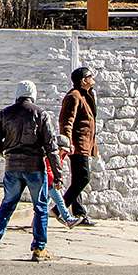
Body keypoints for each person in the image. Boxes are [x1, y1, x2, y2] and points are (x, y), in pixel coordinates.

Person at [0, 80, 55, 262]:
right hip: (34, 166)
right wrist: (58, 172)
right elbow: (51, 146)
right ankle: (39, 248)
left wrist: (4, 152)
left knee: (7, 204)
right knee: (40, 207)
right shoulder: (40, 114)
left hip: (12, 166)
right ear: (33, 95)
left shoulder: (5, 114)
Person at [59, 66, 98, 225]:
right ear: (83, 80)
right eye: (90, 76)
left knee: (77, 179)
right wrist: (67, 142)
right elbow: (66, 122)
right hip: (77, 144)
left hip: (85, 143)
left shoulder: (85, 95)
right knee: (83, 178)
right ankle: (59, 209)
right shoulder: (73, 96)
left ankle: (80, 213)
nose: (93, 78)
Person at [43, 134, 81, 227]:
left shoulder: (59, 155)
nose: (64, 153)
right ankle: (68, 219)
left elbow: (67, 154)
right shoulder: (50, 157)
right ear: (58, 148)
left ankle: (36, 222)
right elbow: (48, 170)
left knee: (45, 203)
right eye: (64, 151)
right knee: (59, 201)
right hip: (50, 182)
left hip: (50, 182)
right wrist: (55, 181)